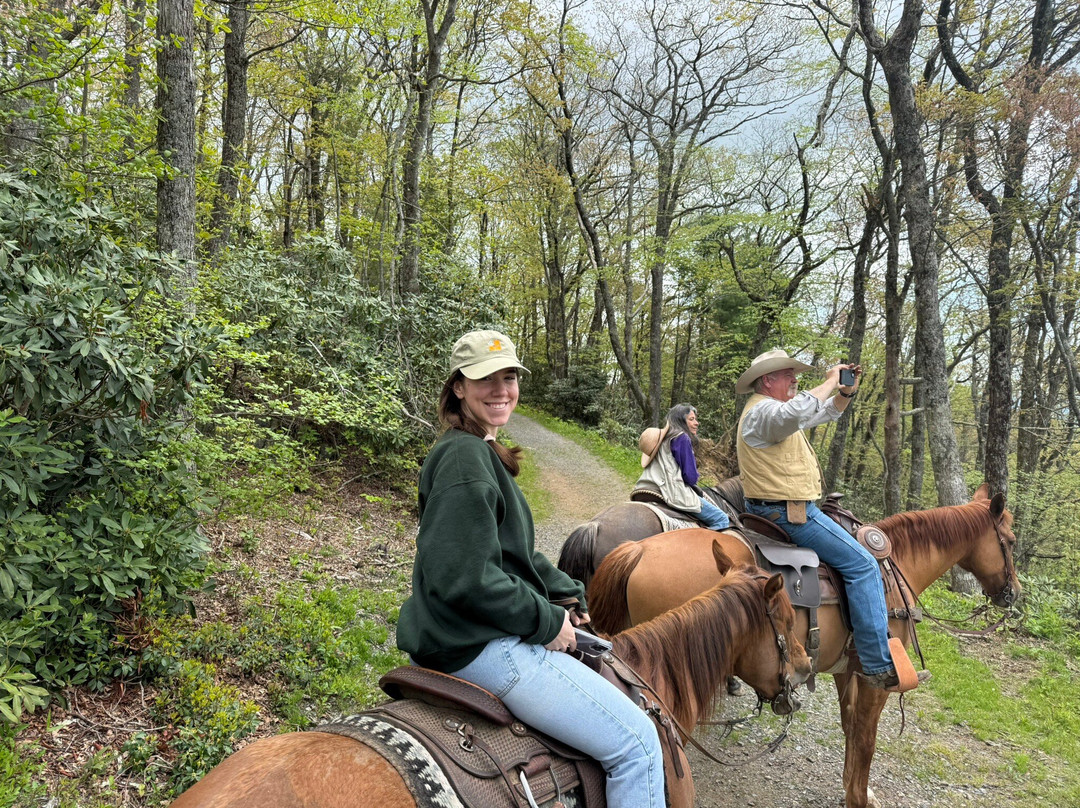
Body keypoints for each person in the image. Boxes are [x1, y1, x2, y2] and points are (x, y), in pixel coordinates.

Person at [397, 329, 666, 807]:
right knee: (638, 744)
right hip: (477, 644)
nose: (501, 390)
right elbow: (464, 577)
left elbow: (511, 551)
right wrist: (545, 623)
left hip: (462, 634)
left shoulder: (477, 448)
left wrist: (564, 590)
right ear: (458, 387)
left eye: (509, 377)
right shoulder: (465, 460)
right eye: (486, 379)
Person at [734, 348, 910, 690]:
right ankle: (876, 664)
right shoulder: (765, 413)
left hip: (780, 508)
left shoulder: (771, 413)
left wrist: (844, 394)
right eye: (789, 375)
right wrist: (830, 379)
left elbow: (821, 413)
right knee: (862, 564)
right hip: (789, 512)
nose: (796, 380)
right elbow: (800, 409)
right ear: (768, 380)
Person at [635, 403, 730, 530]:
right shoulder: (682, 438)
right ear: (681, 421)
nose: (697, 423)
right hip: (671, 492)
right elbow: (690, 478)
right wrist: (695, 476)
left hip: (645, 488)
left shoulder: (663, 441)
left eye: (695, 419)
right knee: (722, 519)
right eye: (691, 419)